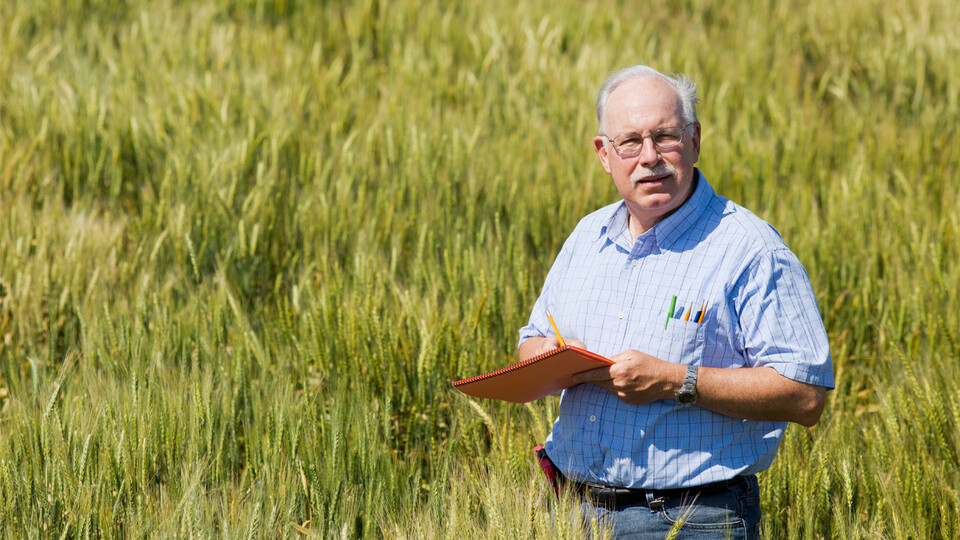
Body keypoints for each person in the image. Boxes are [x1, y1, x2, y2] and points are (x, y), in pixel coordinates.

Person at [518, 65, 834, 538]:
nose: (650, 157)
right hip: (570, 511)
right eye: (629, 142)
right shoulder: (586, 237)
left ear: (695, 140)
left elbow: (806, 395)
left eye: (665, 137)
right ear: (604, 154)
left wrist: (674, 380)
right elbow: (531, 342)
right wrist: (544, 358)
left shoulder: (750, 248)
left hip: (689, 519)